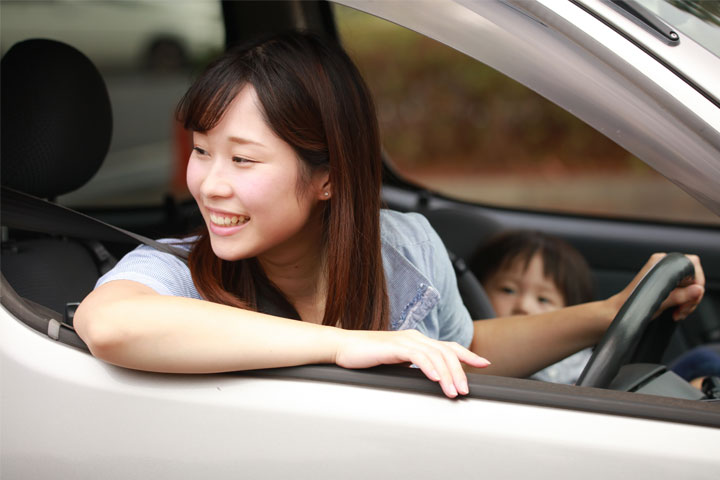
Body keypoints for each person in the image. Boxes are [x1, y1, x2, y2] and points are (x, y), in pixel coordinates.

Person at [74, 32, 706, 399]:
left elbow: (461, 348)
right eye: (203, 153)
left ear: (327, 177)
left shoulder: (404, 245)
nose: (209, 186)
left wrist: (612, 311)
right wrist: (347, 345)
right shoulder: (178, 270)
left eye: (243, 160)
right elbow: (110, 324)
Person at [470, 230, 594, 384]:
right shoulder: (466, 347)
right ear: (477, 291)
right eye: (508, 290)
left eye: (543, 299)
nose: (524, 307)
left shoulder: (579, 364)